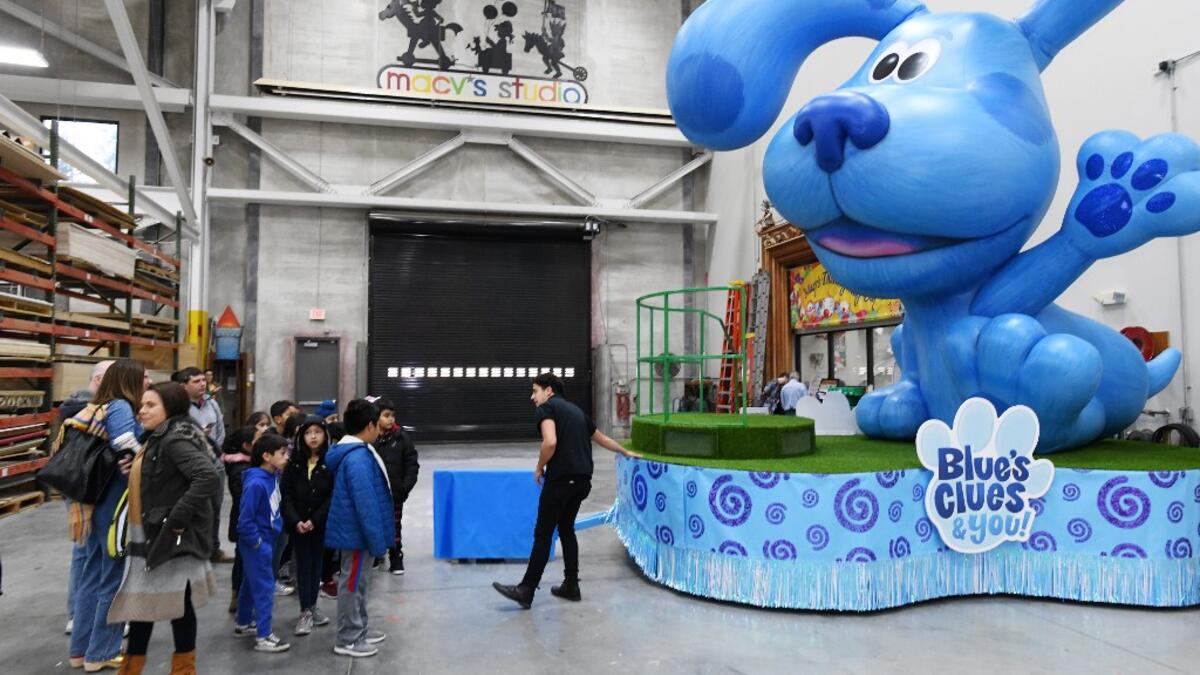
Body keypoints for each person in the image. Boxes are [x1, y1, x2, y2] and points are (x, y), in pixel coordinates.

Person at [493, 373, 640, 609]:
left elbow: (550, 442)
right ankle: (571, 585)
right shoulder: (577, 412)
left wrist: (539, 467)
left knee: (543, 534)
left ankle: (526, 589)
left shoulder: (547, 409)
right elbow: (601, 438)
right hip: (582, 482)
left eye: (535, 391)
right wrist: (624, 451)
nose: (533, 397)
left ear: (549, 391)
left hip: (561, 481)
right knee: (566, 529)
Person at [107, 383, 221, 675]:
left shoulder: (173, 439)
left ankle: (179, 669)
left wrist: (177, 519)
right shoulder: (161, 436)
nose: (141, 411)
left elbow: (206, 477)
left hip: (167, 537)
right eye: (141, 405)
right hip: (153, 534)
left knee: (172, 606)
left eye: (150, 405)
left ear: (169, 408)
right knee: (148, 604)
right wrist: (138, 467)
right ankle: (140, 667)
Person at [65, 359, 145, 672]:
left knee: (91, 576)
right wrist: (144, 455)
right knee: (111, 577)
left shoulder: (95, 406)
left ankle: (80, 650)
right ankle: (101, 652)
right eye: (142, 379)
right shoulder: (121, 407)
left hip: (93, 501)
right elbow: (124, 441)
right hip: (113, 503)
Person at [324, 399, 393, 659]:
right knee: (352, 585)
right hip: (357, 536)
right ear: (369, 426)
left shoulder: (360, 452)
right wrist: (377, 541)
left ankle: (360, 627)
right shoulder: (357, 460)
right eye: (378, 424)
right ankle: (348, 637)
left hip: (360, 535)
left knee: (360, 583)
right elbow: (366, 505)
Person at [60, 360, 114, 637]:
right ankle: (78, 614)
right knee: (86, 551)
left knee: (89, 552)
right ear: (98, 379)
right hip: (84, 488)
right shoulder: (82, 408)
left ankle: (81, 614)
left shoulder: (86, 408)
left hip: (86, 486)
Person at [234, 433, 291, 653]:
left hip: (265, 540)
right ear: (267, 456)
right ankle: (264, 635)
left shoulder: (272, 477)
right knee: (265, 587)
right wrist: (258, 543)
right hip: (258, 543)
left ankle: (244, 622)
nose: (286, 457)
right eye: (282, 453)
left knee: (250, 582)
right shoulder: (257, 483)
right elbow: (245, 521)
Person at [281, 416, 335, 635]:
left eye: (318, 432)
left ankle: (313, 606)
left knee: (317, 565)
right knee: (303, 566)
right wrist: (296, 520)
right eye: (308, 433)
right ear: (301, 437)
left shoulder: (330, 462)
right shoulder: (293, 463)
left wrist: (315, 520)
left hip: (319, 524)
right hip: (299, 525)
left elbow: (331, 496)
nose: (313, 437)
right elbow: (286, 495)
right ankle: (305, 610)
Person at [175, 367, 232, 565]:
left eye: (203, 380)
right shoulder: (180, 408)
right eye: (196, 381)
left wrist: (213, 450)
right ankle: (195, 549)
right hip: (192, 466)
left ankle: (213, 549)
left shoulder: (211, 404)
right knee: (197, 509)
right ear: (183, 385)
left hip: (214, 463)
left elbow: (221, 432)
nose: (202, 384)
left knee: (216, 508)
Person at [221, 414, 270, 613]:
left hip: (247, 523)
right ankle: (240, 598)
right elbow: (245, 502)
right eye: (258, 438)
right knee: (243, 561)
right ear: (247, 446)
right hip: (247, 525)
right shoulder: (242, 471)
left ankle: (241, 597)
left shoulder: (249, 466)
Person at [374, 399, 418, 575]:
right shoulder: (370, 438)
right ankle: (376, 554)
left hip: (395, 493)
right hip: (375, 493)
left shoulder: (401, 438)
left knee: (394, 526)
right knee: (375, 524)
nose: (390, 419)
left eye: (392, 415)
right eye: (386, 415)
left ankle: (396, 557)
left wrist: (404, 487)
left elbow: (412, 464)